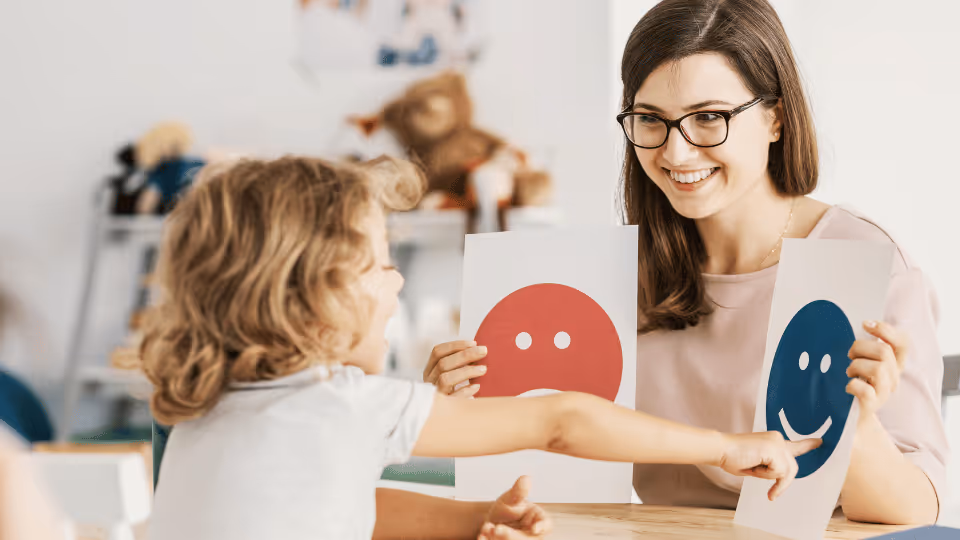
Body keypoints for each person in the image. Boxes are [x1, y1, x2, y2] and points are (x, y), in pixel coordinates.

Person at [425, 0, 948, 526]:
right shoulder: (614, 276)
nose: (676, 153)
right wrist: (464, 407)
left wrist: (856, 425)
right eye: (651, 120)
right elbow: (556, 451)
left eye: (708, 118)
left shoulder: (862, 264)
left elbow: (916, 511)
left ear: (776, 118)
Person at [141, 155, 817, 540]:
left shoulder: (202, 410)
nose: (397, 278)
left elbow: (348, 504)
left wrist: (476, 518)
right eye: (379, 263)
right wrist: (725, 446)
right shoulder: (346, 405)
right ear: (311, 296)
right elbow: (561, 420)